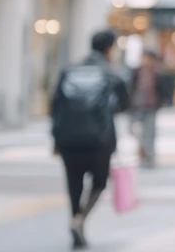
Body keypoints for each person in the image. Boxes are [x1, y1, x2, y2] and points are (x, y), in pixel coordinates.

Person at [51, 29, 131, 249]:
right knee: (99, 182)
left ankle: (75, 221)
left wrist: (56, 139)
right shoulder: (111, 74)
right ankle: (80, 219)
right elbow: (125, 104)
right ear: (109, 49)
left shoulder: (69, 70)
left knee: (74, 184)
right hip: (100, 141)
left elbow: (55, 106)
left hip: (68, 140)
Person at [130, 50, 166, 168]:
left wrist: (161, 102)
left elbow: (162, 88)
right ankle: (143, 152)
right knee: (135, 130)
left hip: (151, 106)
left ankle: (150, 156)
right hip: (137, 106)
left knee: (150, 132)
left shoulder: (156, 72)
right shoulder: (136, 71)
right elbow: (131, 87)